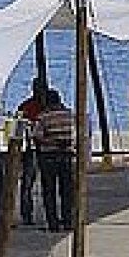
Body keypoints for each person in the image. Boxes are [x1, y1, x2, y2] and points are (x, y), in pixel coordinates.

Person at [35, 90, 75, 233]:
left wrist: (52, 141)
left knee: (49, 191)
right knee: (66, 190)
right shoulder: (70, 115)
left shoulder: (43, 117)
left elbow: (38, 136)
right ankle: (68, 220)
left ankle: (53, 223)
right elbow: (76, 134)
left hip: (49, 156)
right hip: (66, 156)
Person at [17, 77, 48, 225]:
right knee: (28, 184)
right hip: (34, 149)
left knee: (38, 184)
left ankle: (39, 213)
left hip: (42, 148)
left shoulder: (46, 106)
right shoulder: (27, 106)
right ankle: (27, 214)